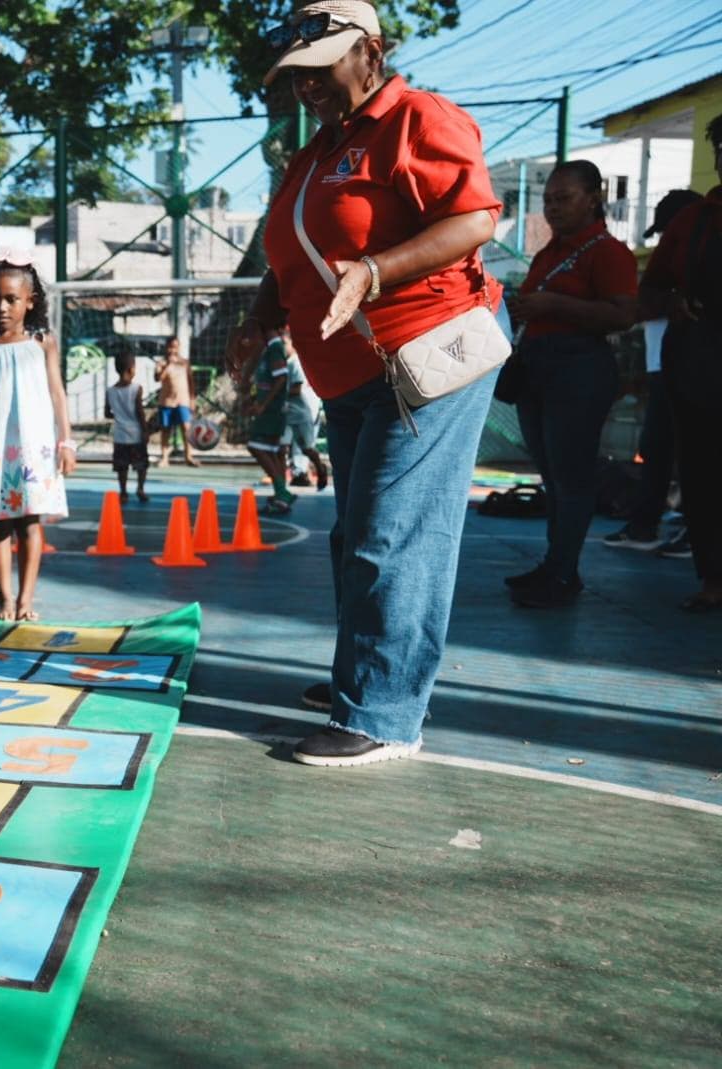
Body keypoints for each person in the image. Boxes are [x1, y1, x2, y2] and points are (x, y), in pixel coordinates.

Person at [255, 1, 504, 765]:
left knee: (396, 531)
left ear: (371, 50)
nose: (307, 89)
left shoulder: (415, 118)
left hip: (427, 356)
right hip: (353, 371)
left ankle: (386, 715)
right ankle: (361, 679)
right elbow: (294, 243)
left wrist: (375, 270)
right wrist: (261, 313)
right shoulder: (322, 148)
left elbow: (474, 221)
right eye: (295, 78)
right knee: (354, 534)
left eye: (319, 69)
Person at [505, 160, 638, 608]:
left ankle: (563, 572)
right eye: (548, 200)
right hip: (538, 368)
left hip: (578, 368)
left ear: (594, 197)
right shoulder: (550, 252)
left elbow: (622, 314)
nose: (553, 208)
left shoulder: (607, 251)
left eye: (564, 198)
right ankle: (555, 565)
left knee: (571, 477)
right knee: (553, 477)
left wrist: (553, 304)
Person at [0, 251, 75, 621]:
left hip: (32, 450)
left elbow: (57, 393)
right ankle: (5, 599)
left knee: (29, 524)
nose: (3, 307)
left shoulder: (42, 343)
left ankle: (26, 601)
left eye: (12, 299)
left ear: (30, 301)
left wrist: (66, 441)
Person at [640, 113, 722, 612]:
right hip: (702, 367)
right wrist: (673, 301)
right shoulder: (695, 222)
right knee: (701, 472)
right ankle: (713, 579)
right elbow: (649, 291)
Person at [604, 189, 702, 552]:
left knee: (680, 451)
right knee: (659, 448)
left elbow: (642, 307)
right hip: (663, 367)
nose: (664, 241)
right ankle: (654, 524)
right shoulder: (674, 263)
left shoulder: (696, 262)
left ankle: (684, 529)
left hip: (686, 368)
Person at [242, 323, 295, 514]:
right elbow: (269, 382)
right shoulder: (268, 350)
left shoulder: (274, 348)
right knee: (273, 451)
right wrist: (256, 401)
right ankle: (281, 496)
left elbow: (281, 378)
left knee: (255, 446)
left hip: (273, 410)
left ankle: (282, 491)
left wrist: (263, 405)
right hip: (271, 408)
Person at [106, 351, 150, 504]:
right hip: (136, 434)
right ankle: (140, 489)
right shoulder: (136, 389)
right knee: (141, 465)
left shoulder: (110, 391)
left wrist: (119, 416)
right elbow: (140, 412)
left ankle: (123, 492)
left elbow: (107, 412)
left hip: (120, 435)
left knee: (122, 466)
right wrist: (145, 430)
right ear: (131, 369)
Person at [283, 344, 329, 490]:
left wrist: (275, 395)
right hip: (287, 412)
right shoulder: (284, 363)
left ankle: (319, 468)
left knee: (306, 448)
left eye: (284, 343)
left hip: (302, 413)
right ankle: (286, 481)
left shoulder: (296, 362)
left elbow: (296, 389)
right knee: (281, 446)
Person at [153, 336, 201, 466]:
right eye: (170, 346)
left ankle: (188, 456)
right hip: (166, 401)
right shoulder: (161, 363)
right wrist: (168, 364)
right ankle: (164, 457)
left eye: (175, 347)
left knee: (186, 429)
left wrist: (192, 399)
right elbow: (158, 378)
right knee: (165, 430)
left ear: (178, 347)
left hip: (182, 401)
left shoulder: (184, 363)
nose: (172, 349)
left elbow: (191, 382)